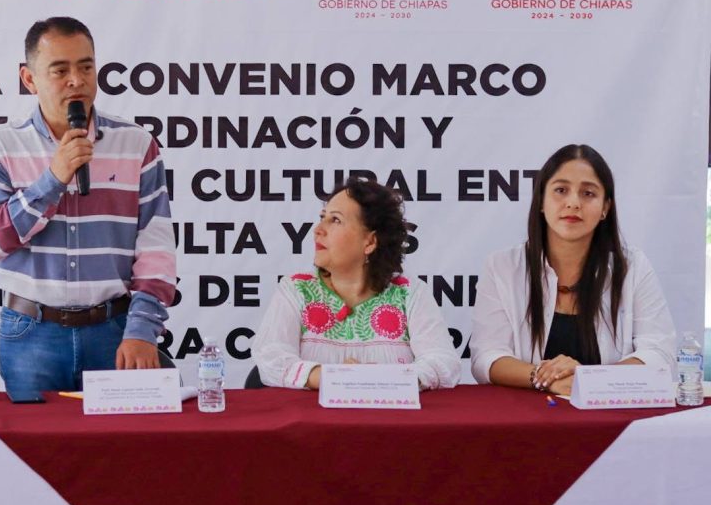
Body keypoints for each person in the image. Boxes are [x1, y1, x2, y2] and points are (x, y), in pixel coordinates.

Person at [0, 16, 176, 392]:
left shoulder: (136, 144)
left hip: (116, 331)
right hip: (31, 333)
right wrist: (53, 179)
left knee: (124, 431)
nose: (76, 80)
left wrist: (142, 330)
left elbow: (156, 249)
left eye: (86, 67)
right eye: (60, 70)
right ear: (29, 79)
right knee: (33, 432)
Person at [470, 144, 676, 395]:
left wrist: (589, 379)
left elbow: (659, 355)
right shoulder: (502, 267)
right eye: (561, 190)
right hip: (525, 414)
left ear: (605, 208)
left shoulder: (632, 267)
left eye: (588, 193)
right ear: (541, 201)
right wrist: (545, 377)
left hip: (608, 412)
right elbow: (486, 357)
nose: (573, 203)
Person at [252, 177, 460, 390]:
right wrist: (332, 377)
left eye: (335, 220)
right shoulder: (296, 289)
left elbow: (444, 363)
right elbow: (271, 359)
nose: (318, 229)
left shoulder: (409, 293)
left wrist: (389, 378)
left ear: (370, 242)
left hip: (389, 412)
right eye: (322, 217)